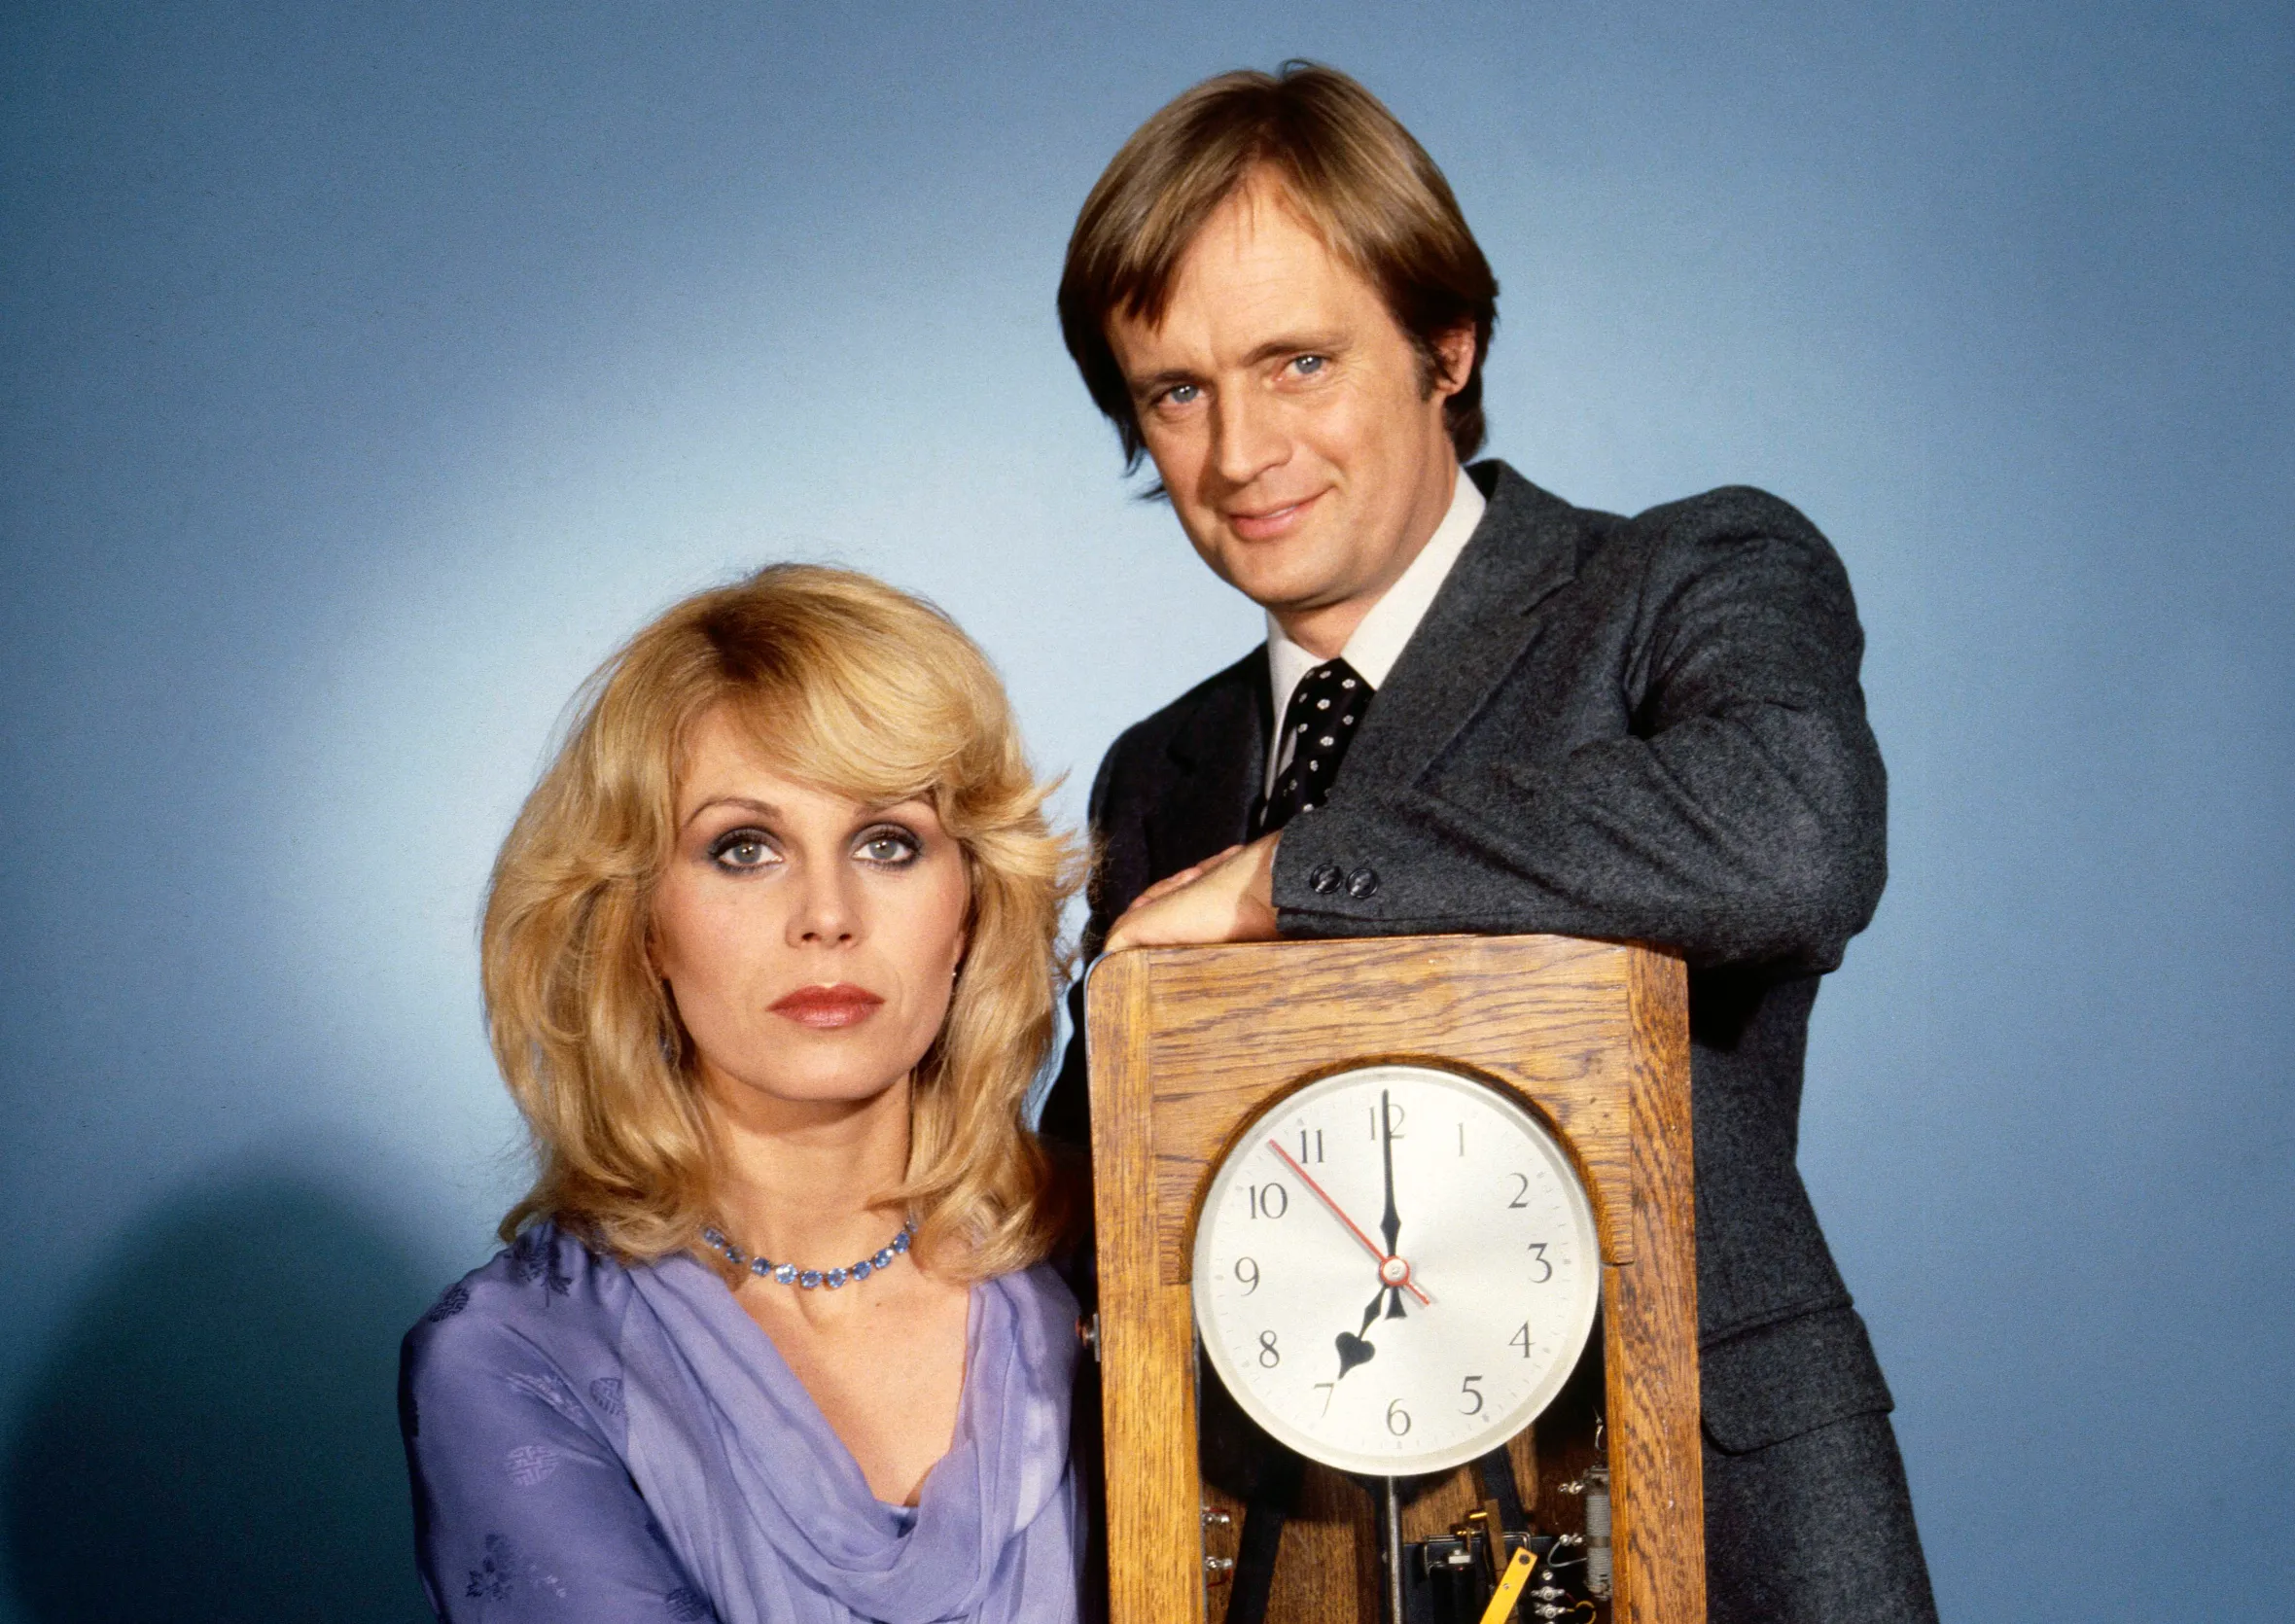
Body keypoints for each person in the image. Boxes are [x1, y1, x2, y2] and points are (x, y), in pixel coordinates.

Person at [1041, 64, 1938, 1624]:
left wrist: (1281, 876)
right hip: (1271, 1551)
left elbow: (1794, 836)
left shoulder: (1685, 577)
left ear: (1446, 346)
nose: (1241, 450)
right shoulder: (1157, 769)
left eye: (1299, 360)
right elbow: (1099, 1188)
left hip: (1690, 1522)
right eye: (1176, 391)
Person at [400, 565, 1087, 1623]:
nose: (826, 913)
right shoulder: (513, 1356)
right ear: (640, 922)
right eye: (744, 848)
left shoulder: (1104, 1293)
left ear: (969, 913)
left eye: (886, 841)